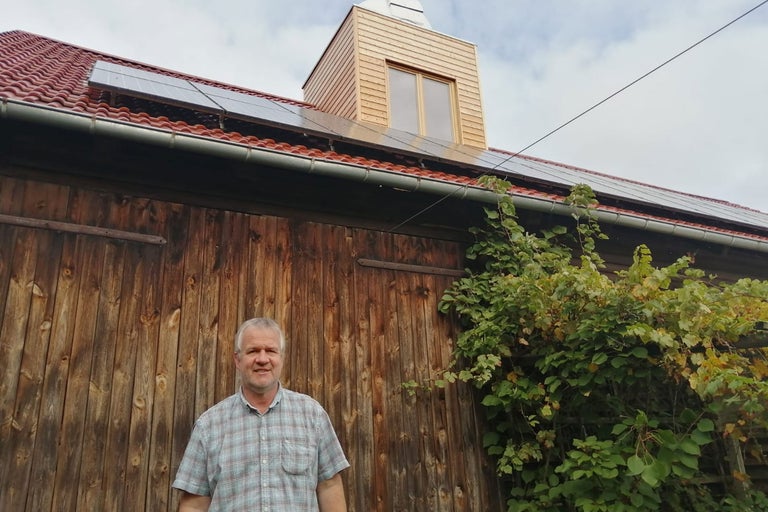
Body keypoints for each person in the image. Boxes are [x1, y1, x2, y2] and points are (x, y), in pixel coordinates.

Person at [172, 317, 350, 511]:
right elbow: (195, 504)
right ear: (237, 360)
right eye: (253, 351)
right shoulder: (209, 425)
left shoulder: (313, 415)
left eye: (271, 351)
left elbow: (329, 485)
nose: (263, 359)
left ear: (281, 358)